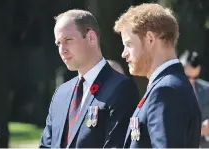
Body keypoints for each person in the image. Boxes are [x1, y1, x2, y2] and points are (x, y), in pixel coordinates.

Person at [39, 9, 139, 148]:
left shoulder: (121, 88)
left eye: (68, 40)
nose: (62, 50)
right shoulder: (61, 94)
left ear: (91, 37)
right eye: (58, 43)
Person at [114, 3, 201, 148]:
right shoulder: (169, 86)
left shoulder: (166, 91)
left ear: (150, 39)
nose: (124, 54)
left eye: (128, 44)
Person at [180, 50, 209, 147]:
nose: (192, 82)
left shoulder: (206, 89)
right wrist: (198, 131)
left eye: (195, 77)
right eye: (188, 77)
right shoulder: (170, 91)